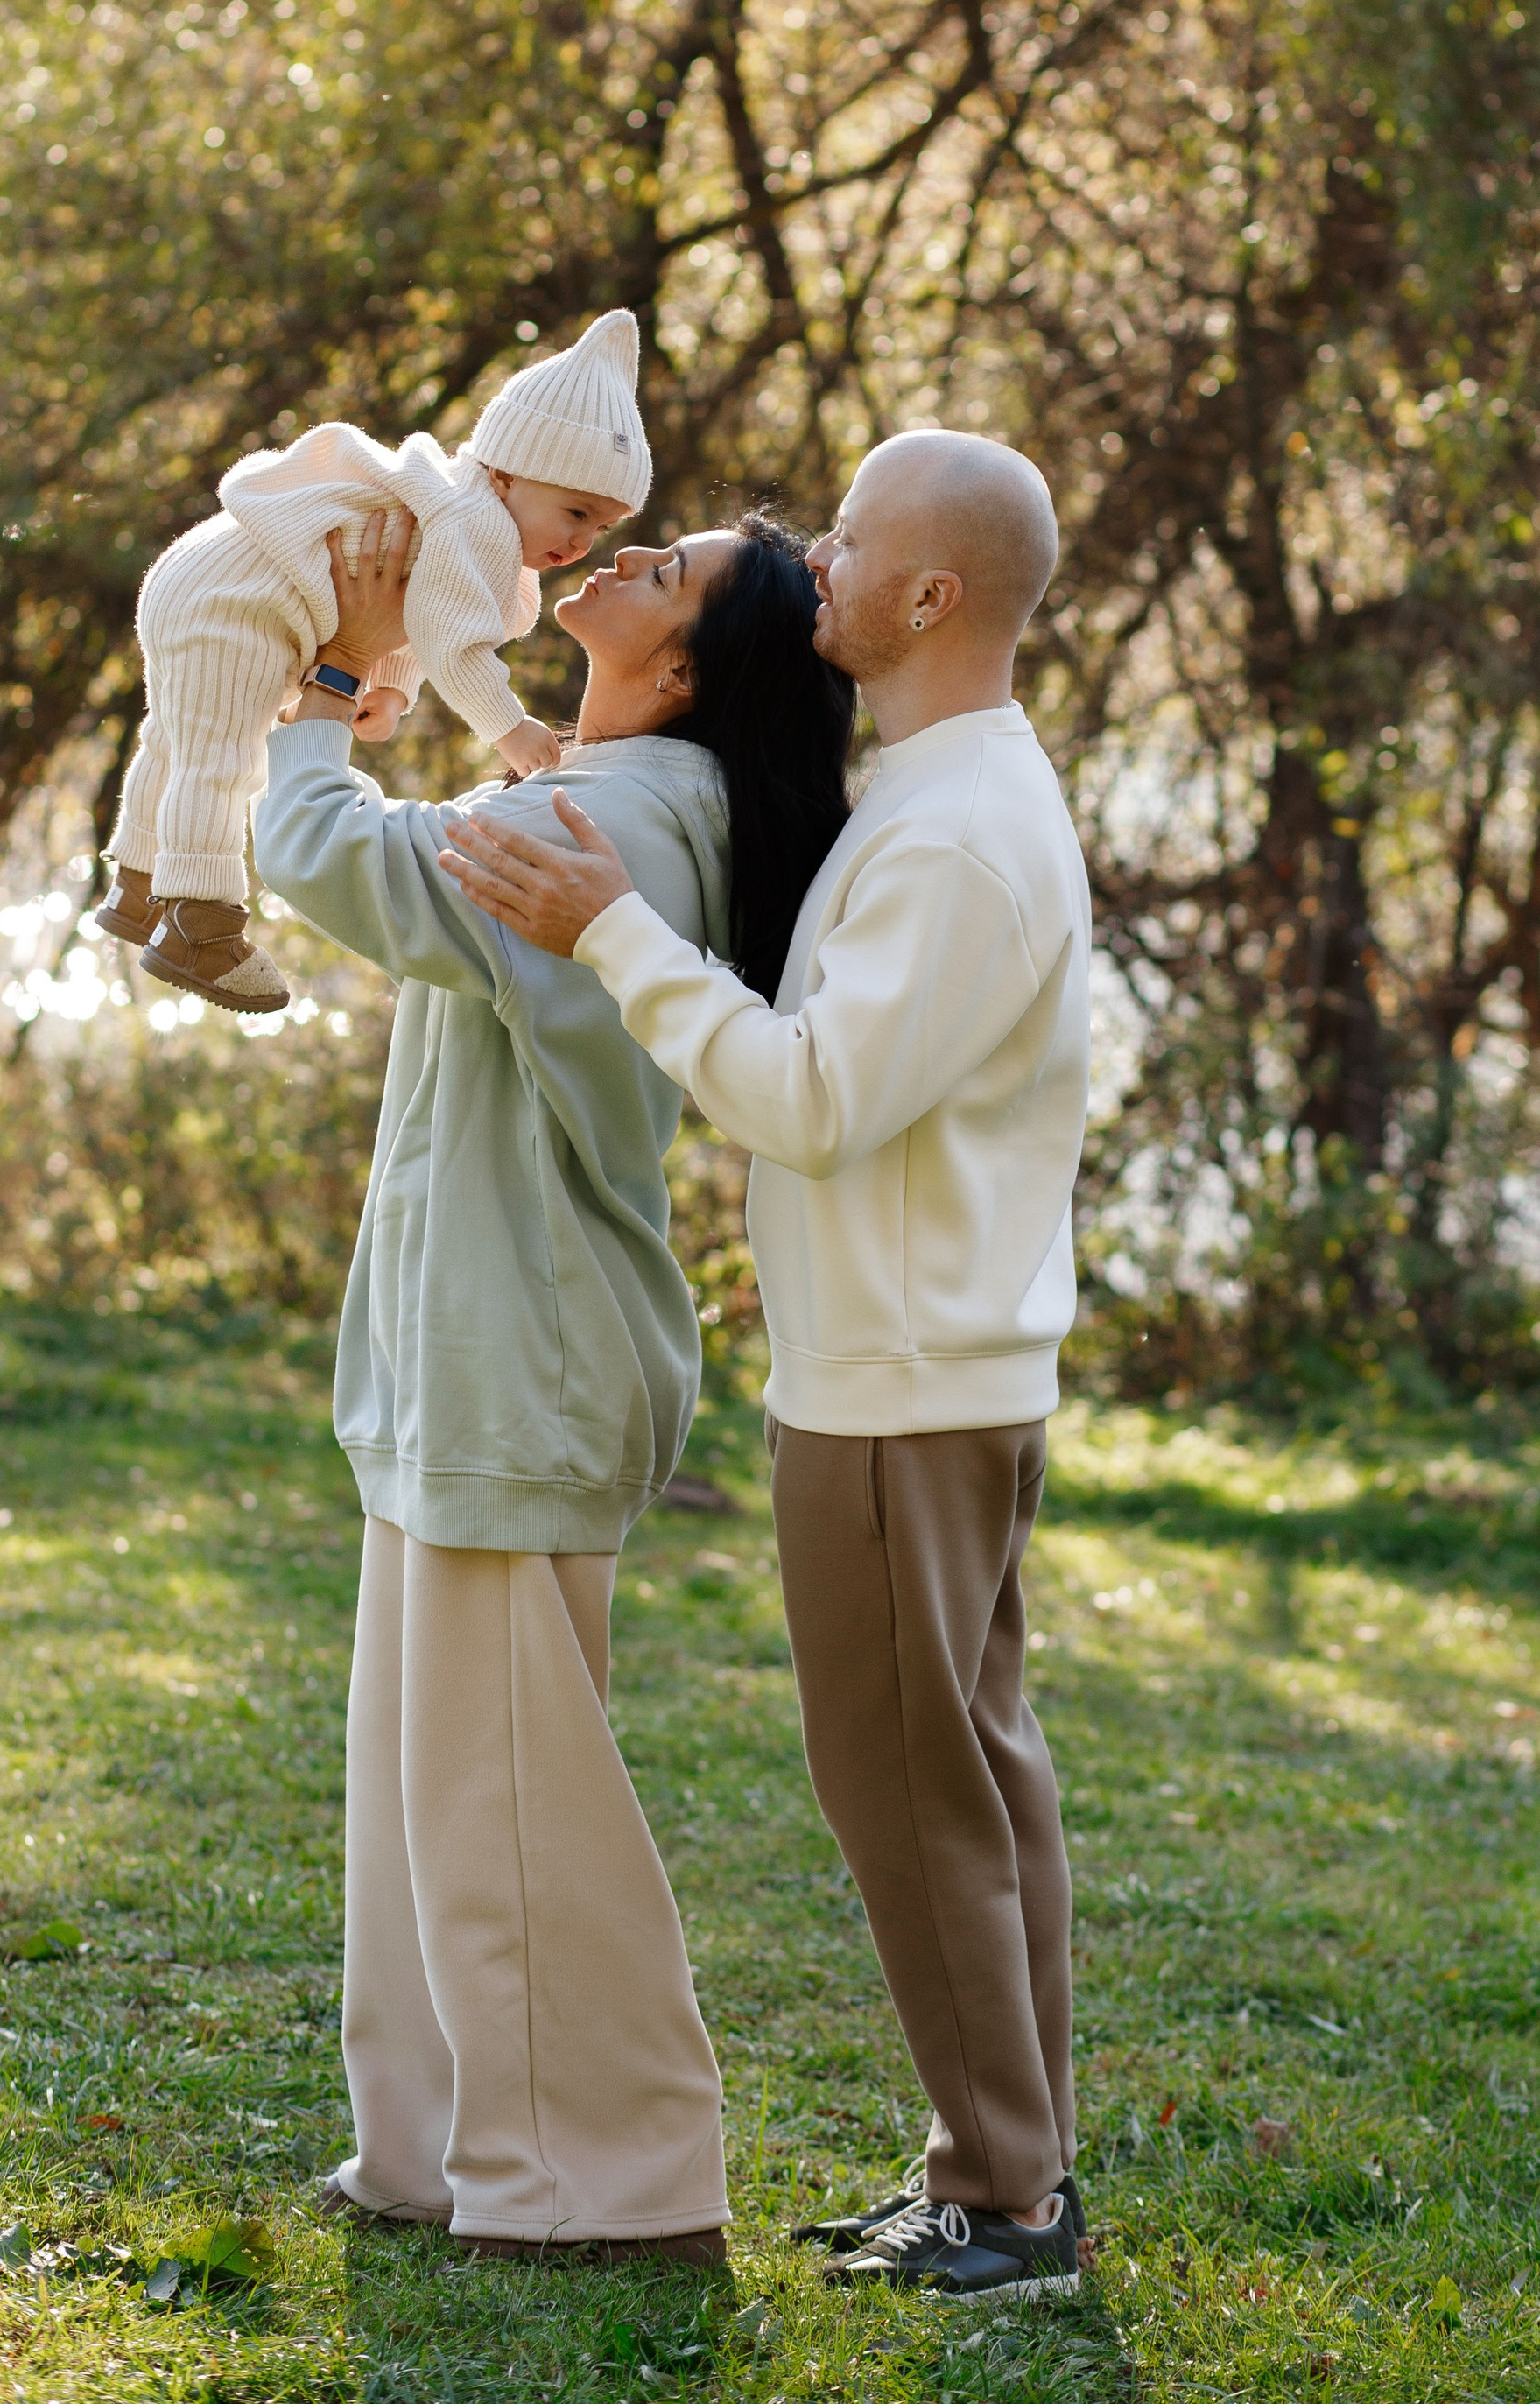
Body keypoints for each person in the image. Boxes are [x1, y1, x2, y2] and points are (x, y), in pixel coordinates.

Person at [439, 431, 1093, 2305]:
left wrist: (608, 929)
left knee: (912, 1796)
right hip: (920, 1377)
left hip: (898, 1397)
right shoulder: (937, 794)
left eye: (852, 540)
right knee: (972, 1783)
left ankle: (1005, 2200)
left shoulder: (961, 834)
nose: (820, 564)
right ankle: (1003, 2170)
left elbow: (807, 1104)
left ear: (930, 595)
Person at [252, 498, 854, 2260]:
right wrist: (377, 696)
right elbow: (426, 838)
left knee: (513, 1796)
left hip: (523, 1350)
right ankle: (435, 2147)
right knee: (435, 1778)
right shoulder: (616, 795)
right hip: (476, 1347)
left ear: (677, 668)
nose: (624, 556)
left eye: (662, 573)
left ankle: (609, 2175)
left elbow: (337, 865)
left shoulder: (633, 818)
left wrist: (334, 672)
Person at [102, 309, 650, 1013]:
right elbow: (453, 642)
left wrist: (387, 689)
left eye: (602, 527)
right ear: (508, 474)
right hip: (238, 601)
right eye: (575, 513)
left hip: (211, 581)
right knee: (224, 755)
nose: (583, 543)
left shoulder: (462, 516)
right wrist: (509, 729)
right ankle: (200, 922)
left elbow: (414, 610)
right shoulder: (476, 520)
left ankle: (137, 880)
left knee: (176, 737)